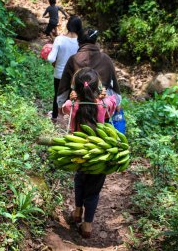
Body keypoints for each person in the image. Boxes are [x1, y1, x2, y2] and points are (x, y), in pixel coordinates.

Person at [62, 67, 117, 238]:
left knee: (80, 181)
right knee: (93, 191)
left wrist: (74, 97)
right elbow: (114, 103)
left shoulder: (72, 105)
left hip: (79, 152)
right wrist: (104, 95)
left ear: (77, 89)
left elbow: (64, 107)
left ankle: (77, 211)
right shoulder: (103, 104)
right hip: (98, 152)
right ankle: (87, 226)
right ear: (96, 89)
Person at [57, 28, 122, 115]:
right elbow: (114, 84)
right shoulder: (106, 59)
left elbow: (64, 86)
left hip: (79, 106)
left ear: (79, 41)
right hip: (101, 106)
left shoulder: (73, 59)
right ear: (95, 42)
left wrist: (60, 105)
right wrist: (117, 103)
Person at [47, 15, 82, 122]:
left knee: (57, 95)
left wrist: (55, 64)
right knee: (72, 97)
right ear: (79, 27)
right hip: (74, 76)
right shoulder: (80, 43)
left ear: (67, 25)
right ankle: (70, 119)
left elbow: (50, 58)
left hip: (59, 73)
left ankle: (55, 117)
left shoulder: (59, 39)